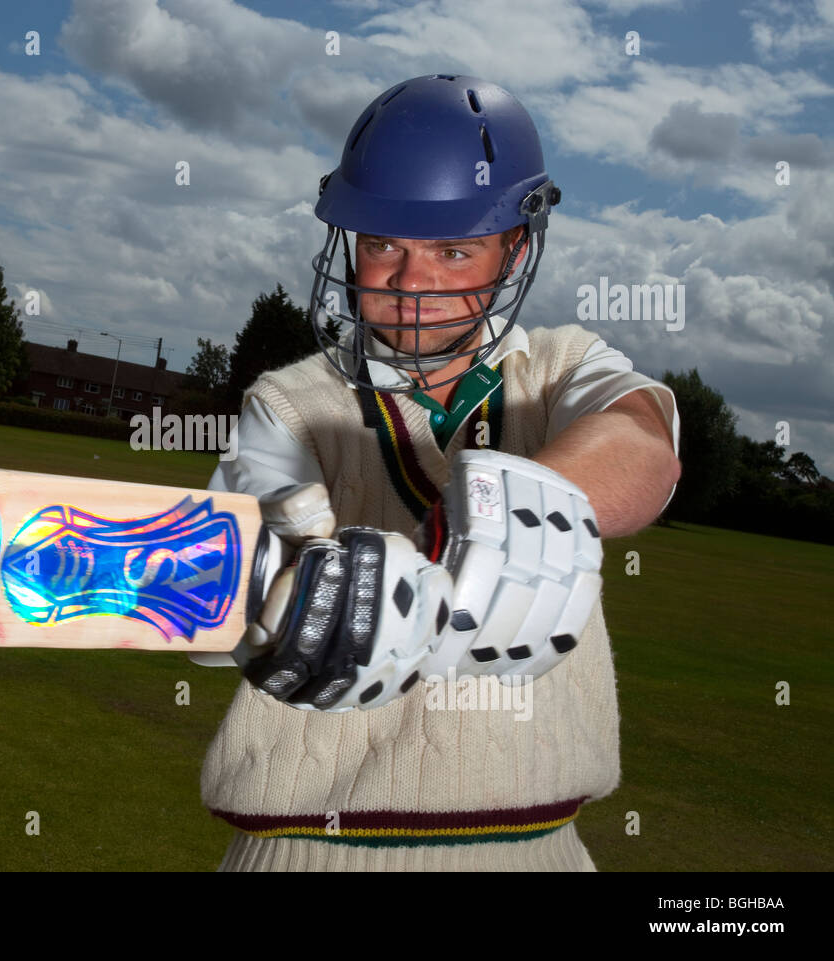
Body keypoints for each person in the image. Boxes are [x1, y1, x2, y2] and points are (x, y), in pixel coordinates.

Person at [192, 75, 682, 871]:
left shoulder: (561, 367)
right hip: (311, 853)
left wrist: (504, 513)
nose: (410, 283)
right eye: (383, 243)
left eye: (452, 250)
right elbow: (218, 596)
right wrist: (284, 599)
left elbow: (642, 446)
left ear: (514, 247)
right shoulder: (287, 403)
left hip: (541, 853)